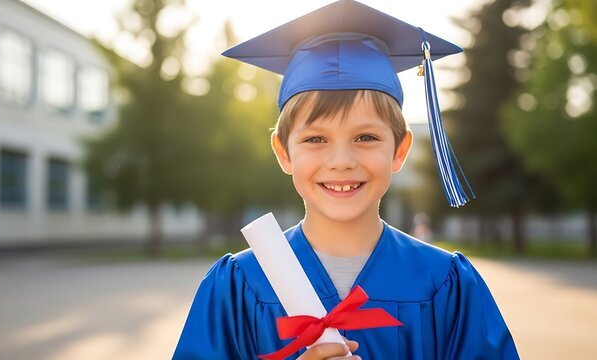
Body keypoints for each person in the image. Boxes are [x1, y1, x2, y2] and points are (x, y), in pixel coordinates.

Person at [174, 1, 518, 359]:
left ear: (399, 150)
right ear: (284, 152)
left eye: (366, 138)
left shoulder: (445, 284)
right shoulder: (241, 285)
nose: (341, 162)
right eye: (315, 139)